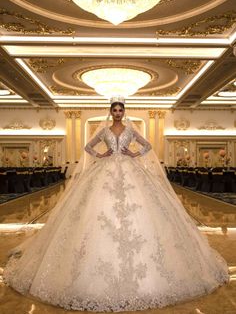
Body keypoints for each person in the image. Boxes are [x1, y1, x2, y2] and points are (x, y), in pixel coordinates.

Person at [3, 96, 229, 312]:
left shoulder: (131, 129)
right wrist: (101, 156)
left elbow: (147, 146)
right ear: (110, 111)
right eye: (115, 109)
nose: (118, 113)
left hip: (131, 170)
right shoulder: (103, 130)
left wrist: (134, 153)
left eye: (121, 109)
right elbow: (88, 148)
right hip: (106, 169)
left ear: (124, 111)